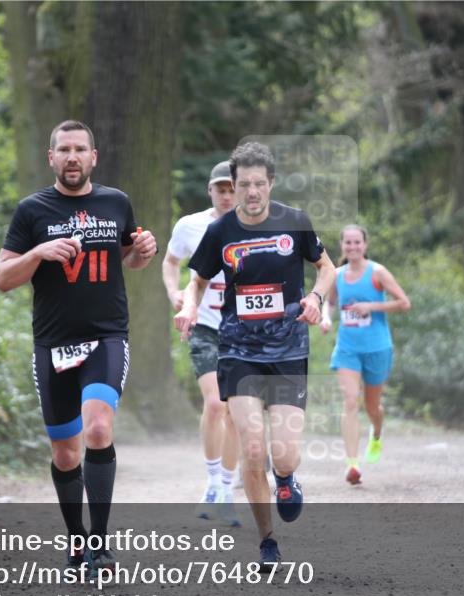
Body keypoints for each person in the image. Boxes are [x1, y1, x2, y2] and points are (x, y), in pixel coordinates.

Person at [0, 120, 158, 573]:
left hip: (106, 336)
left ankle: (101, 546)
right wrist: (37, 254)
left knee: (99, 429)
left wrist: (142, 250)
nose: (71, 157)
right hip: (53, 344)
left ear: (93, 157)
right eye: (63, 149)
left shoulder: (115, 202)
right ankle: (77, 540)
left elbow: (130, 256)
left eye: (79, 149)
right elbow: (3, 278)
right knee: (66, 453)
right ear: (51, 158)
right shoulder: (32, 211)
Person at [174, 142, 336, 570]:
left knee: (283, 454)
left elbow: (327, 267)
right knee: (250, 449)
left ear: (271, 183)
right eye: (242, 184)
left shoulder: (294, 222)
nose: (250, 192)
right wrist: (190, 305)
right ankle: (267, 541)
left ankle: (285, 478)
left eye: (258, 184)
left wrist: (317, 298)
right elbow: (198, 279)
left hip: (287, 348)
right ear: (234, 184)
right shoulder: (220, 231)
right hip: (238, 349)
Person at [162, 161, 241, 525]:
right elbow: (171, 260)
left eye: (231, 189)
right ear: (210, 191)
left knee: (235, 412)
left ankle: (228, 487)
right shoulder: (190, 225)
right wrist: (174, 292)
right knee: (214, 405)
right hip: (205, 326)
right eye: (220, 190)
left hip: (244, 330)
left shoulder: (254, 226)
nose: (226, 196)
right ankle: (211, 483)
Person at [320, 224, 410, 485]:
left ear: (365, 245)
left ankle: (377, 432)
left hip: (377, 347)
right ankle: (352, 464)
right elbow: (332, 302)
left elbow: (404, 303)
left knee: (372, 407)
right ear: (342, 246)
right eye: (348, 243)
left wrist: (372, 305)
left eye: (357, 242)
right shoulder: (336, 274)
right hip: (347, 347)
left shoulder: (377, 272)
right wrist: (326, 318)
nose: (352, 247)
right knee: (350, 400)